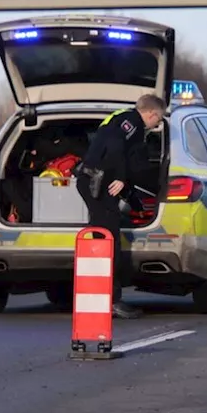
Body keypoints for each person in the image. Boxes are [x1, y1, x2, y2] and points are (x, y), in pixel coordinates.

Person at [74, 94, 167, 319]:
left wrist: (128, 188)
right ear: (152, 114)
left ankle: (101, 296)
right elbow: (115, 147)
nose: (158, 124)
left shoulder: (121, 119)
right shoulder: (132, 122)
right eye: (159, 119)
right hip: (97, 182)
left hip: (95, 181)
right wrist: (122, 177)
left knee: (104, 236)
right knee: (108, 240)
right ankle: (111, 300)